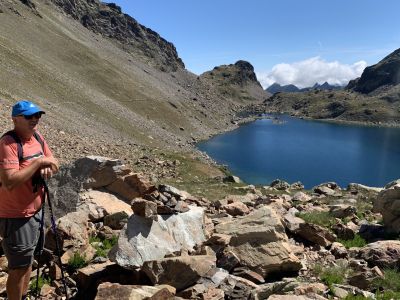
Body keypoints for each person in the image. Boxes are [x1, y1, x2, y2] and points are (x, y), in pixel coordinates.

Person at [0, 100, 59, 300]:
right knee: (18, 268)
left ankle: (22, 297)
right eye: (29, 116)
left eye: (37, 116)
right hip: (16, 216)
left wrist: (46, 167)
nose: (35, 120)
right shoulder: (8, 143)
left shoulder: (37, 137)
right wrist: (39, 163)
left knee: (28, 260)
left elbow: (54, 163)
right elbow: (9, 181)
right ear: (15, 119)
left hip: (36, 211)